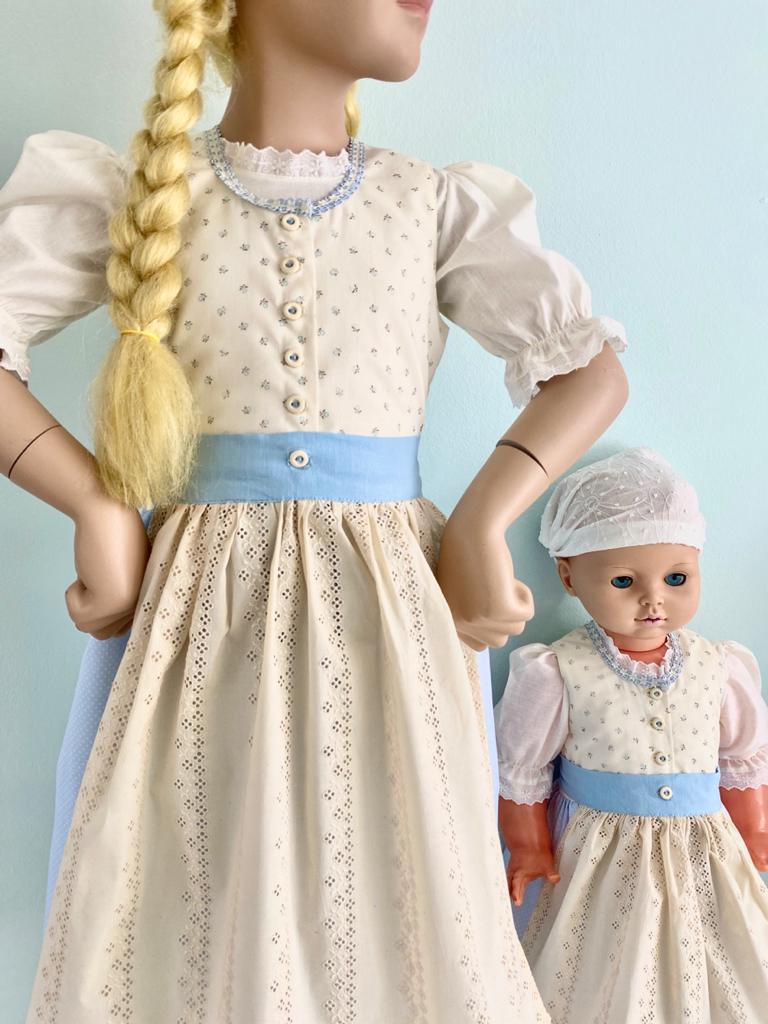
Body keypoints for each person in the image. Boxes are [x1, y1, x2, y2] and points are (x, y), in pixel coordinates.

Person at [0, 0, 628, 1018]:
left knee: (400, 891)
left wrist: (482, 518)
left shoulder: (429, 204)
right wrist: (93, 503)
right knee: (199, 898)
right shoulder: (141, 197)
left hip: (389, 621)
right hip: (202, 624)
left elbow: (589, 370)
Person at [495, 447, 768, 1024]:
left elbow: (742, 757)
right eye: (624, 580)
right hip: (604, 854)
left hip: (705, 849)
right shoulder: (556, 670)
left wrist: (753, 830)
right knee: (608, 964)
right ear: (569, 577)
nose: (653, 599)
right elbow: (523, 769)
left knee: (717, 953)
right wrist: (528, 844)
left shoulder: (720, 665)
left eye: (676, 578)